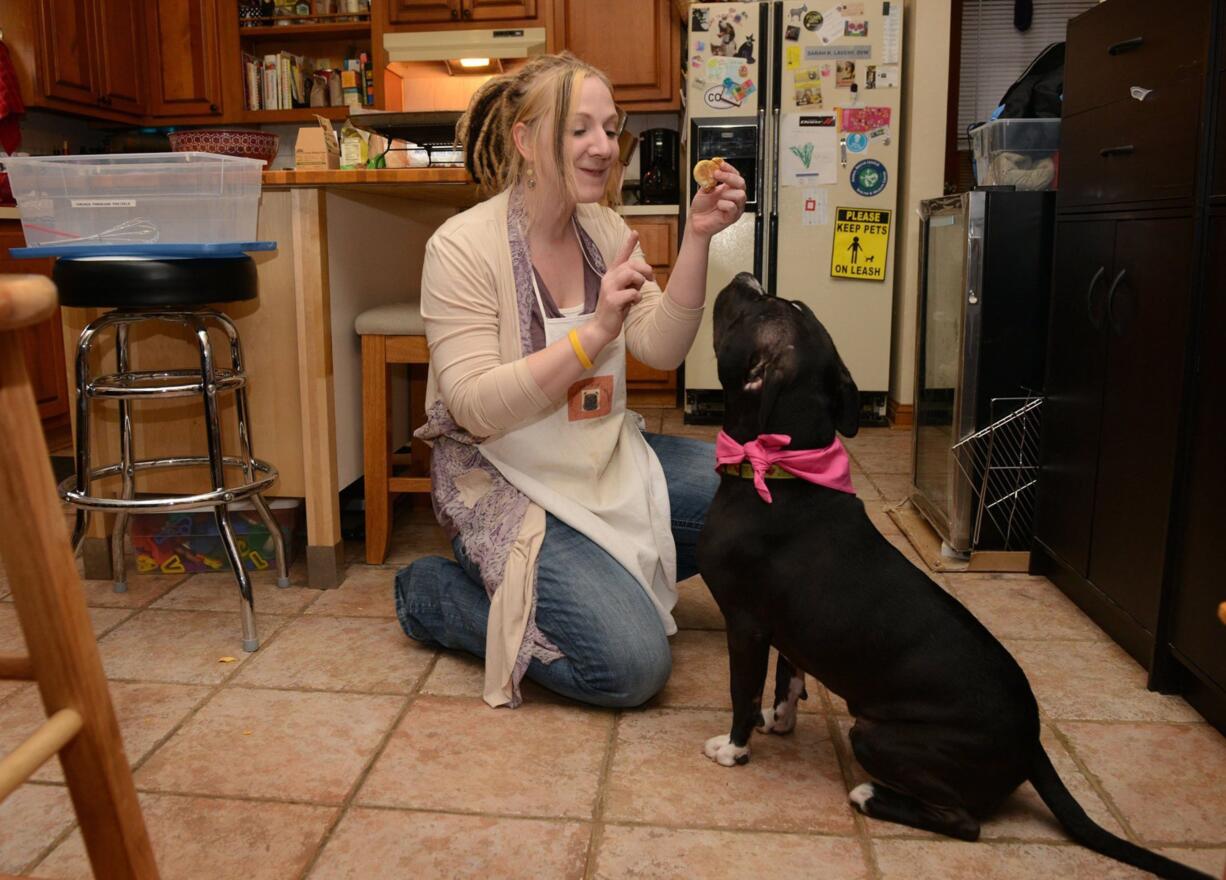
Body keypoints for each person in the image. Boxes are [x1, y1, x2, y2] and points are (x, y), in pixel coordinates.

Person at [395, 52, 746, 710]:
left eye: (610, 129)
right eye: (579, 128)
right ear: (527, 140)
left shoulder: (605, 229)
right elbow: (471, 408)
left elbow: (662, 348)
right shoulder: (461, 247)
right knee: (631, 667)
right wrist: (594, 332)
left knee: (752, 491)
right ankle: (437, 598)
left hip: (598, 456)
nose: (603, 147)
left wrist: (697, 238)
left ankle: (597, 570)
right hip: (506, 478)